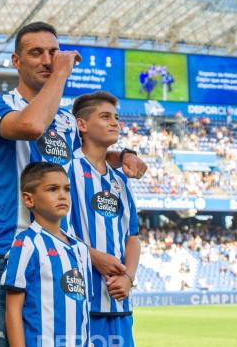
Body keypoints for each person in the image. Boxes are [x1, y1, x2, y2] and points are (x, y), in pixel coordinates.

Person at [0, 22, 147, 346]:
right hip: (9, 251)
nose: (47, 60)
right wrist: (61, 73)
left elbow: (87, 157)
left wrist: (123, 155)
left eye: (53, 53)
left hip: (60, 254)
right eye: (36, 53)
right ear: (16, 61)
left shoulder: (68, 122)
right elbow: (31, 125)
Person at [69, 91, 140, 347]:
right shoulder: (66, 168)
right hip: (78, 307)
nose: (115, 123)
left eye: (116, 117)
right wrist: (91, 256)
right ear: (82, 124)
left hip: (119, 306)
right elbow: (51, 229)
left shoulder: (120, 180)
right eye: (105, 116)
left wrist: (128, 277)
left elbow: (133, 237)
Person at [3, 162, 92, 347]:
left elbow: (83, 309)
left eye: (66, 189)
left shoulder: (81, 249)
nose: (62, 195)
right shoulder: (26, 243)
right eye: (52, 189)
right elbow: (13, 309)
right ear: (29, 199)